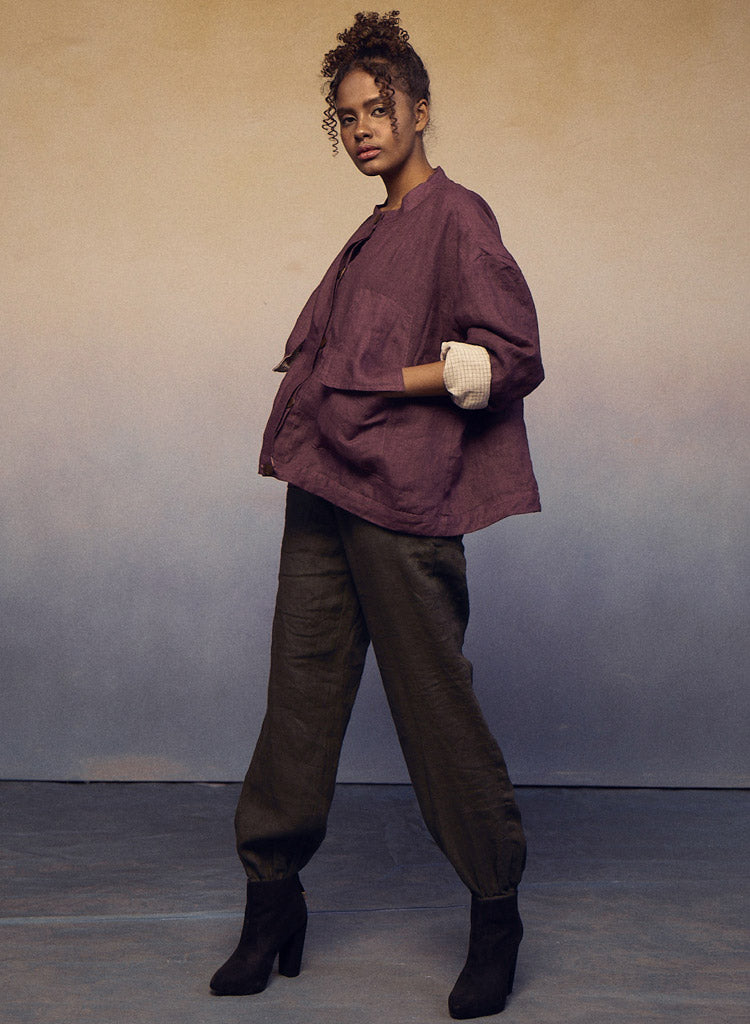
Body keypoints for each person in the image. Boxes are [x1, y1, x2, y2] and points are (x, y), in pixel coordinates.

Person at [210, 10, 543, 1019]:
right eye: (346, 116)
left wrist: (387, 379)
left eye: (378, 110)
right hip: (324, 482)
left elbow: (512, 355)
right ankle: (273, 900)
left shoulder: (457, 217)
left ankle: (495, 912)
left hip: (404, 496)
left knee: (433, 703)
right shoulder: (371, 231)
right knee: (300, 694)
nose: (361, 130)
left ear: (420, 112)